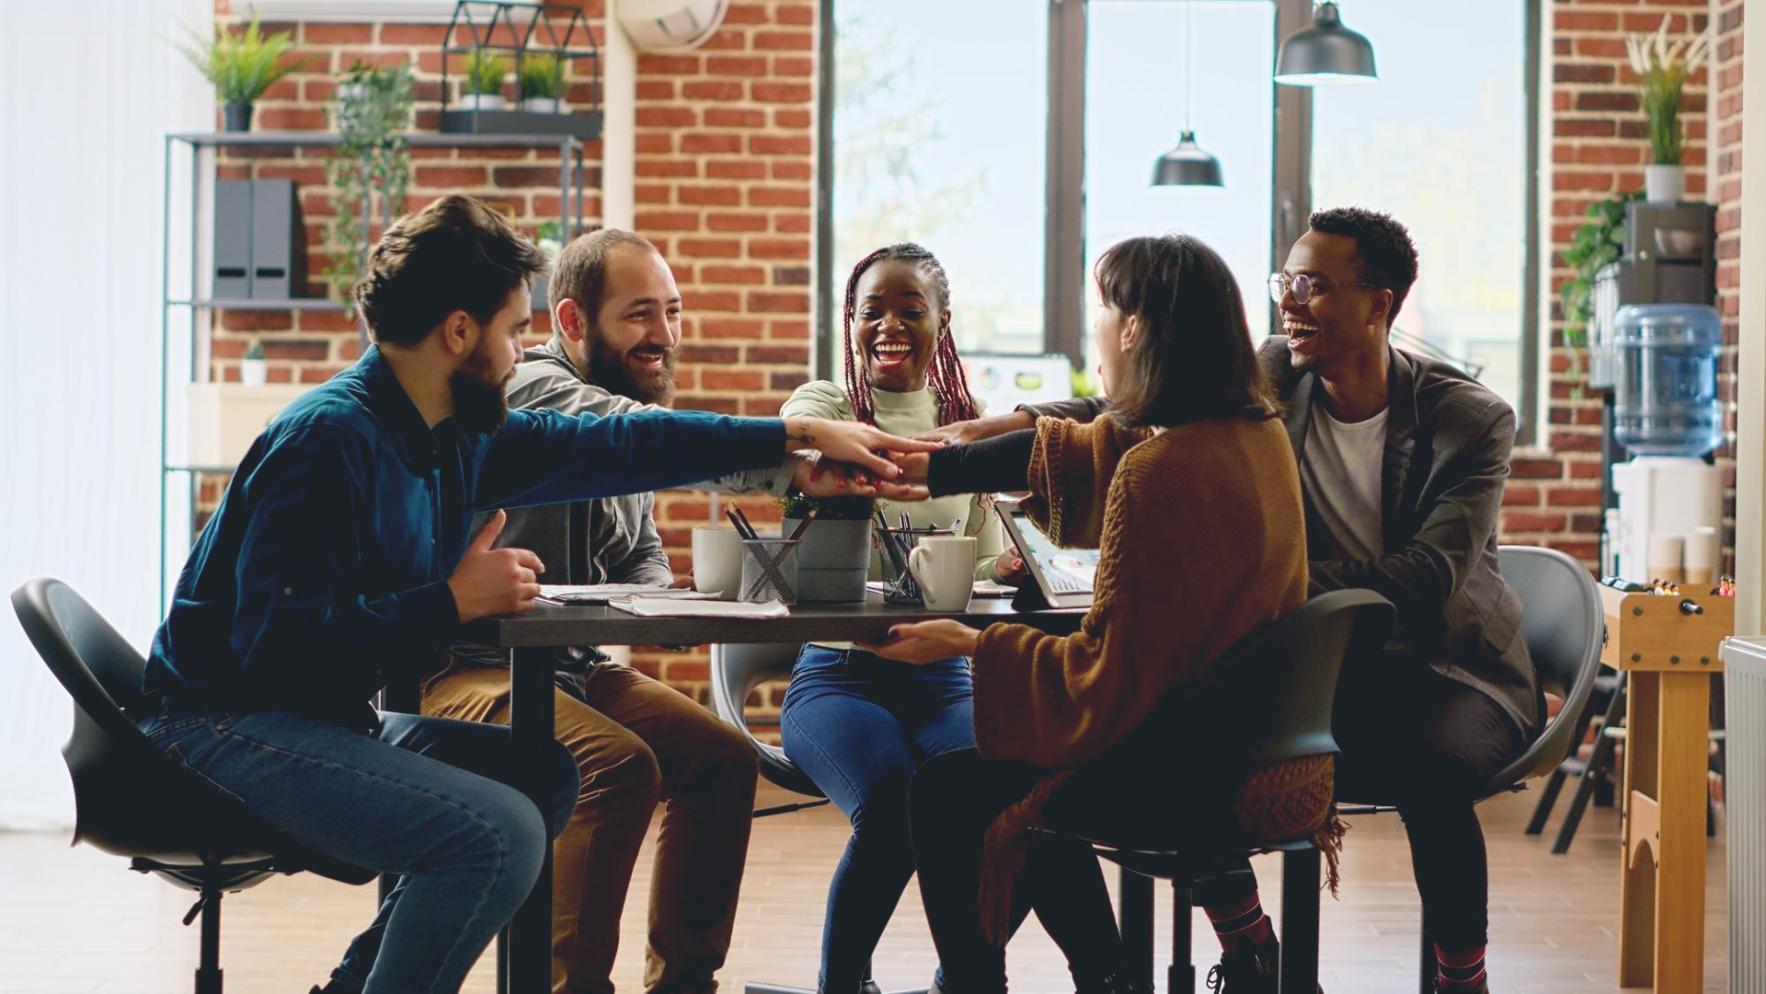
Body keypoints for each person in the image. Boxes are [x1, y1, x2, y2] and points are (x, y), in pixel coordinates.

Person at [135, 194, 935, 994]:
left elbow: (619, 444)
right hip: (218, 726)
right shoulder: (328, 441)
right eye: (516, 331)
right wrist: (451, 602)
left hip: (310, 715)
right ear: (459, 334)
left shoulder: (451, 432)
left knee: (541, 778)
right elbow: (273, 648)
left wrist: (793, 447)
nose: (523, 355)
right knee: (498, 835)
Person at [924, 209, 1536, 994]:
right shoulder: (1274, 372)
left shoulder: (1469, 417)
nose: (1290, 302)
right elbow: (1160, 406)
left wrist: (1245, 569)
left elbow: (1425, 579)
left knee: (1430, 769)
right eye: (1285, 282)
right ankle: (1250, 944)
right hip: (1313, 651)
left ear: (1379, 304)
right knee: (1192, 710)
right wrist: (1024, 422)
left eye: (1313, 286)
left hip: (1445, 660)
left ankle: (1463, 976)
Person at [413, 227, 911, 994]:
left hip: (564, 667)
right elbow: (629, 440)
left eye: (672, 312)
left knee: (721, 757)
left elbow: (638, 551)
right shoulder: (540, 390)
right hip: (462, 667)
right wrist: (795, 445)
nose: (664, 335)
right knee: (615, 768)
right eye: (640, 314)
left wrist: (669, 590)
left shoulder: (627, 407)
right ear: (573, 322)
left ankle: (684, 984)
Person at [863, 234, 1317, 994]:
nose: (1094, 331)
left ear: (1134, 329)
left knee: (954, 788)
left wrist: (971, 645)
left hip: (1189, 773)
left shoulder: (1159, 471)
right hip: (1258, 742)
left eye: (1100, 310)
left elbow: (1104, 674)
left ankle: (977, 986)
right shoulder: (1254, 434)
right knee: (1015, 762)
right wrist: (940, 461)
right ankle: (1110, 976)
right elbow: (1089, 447)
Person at [731, 242, 1104, 994]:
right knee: (896, 808)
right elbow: (799, 444)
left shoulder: (972, 428)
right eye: (873, 310)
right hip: (838, 676)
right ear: (851, 320)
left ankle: (963, 978)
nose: (889, 325)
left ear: (943, 323)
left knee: (1022, 804)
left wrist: (1010, 561)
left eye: (910, 309)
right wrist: (933, 457)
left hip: (946, 679)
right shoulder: (825, 406)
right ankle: (845, 985)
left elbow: (990, 560)